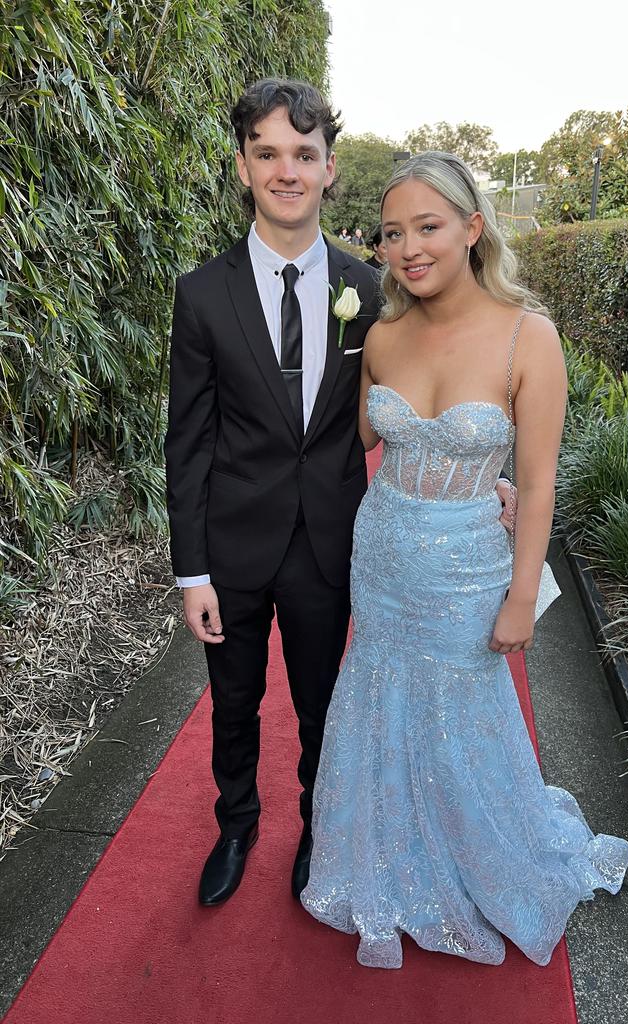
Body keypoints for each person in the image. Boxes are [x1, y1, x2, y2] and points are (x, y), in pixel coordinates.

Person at [301, 152, 628, 969]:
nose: (408, 247)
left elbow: (541, 479)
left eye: (428, 226)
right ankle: (383, 857)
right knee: (381, 697)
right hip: (382, 553)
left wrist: (523, 594)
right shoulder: (377, 335)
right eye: (391, 233)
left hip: (468, 568)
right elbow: (359, 440)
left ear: (472, 229)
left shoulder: (530, 335)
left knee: (462, 719)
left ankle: (480, 861)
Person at [163, 78, 380, 907]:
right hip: (233, 547)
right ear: (244, 166)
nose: (286, 170)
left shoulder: (369, 290)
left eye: (304, 153)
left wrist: (490, 477)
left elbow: (424, 390)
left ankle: (318, 829)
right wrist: (191, 572)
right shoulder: (202, 293)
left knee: (326, 706)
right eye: (267, 154)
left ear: (328, 168)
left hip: (328, 540)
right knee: (234, 704)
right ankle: (236, 823)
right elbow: (188, 440)